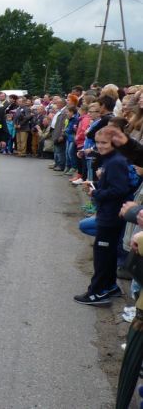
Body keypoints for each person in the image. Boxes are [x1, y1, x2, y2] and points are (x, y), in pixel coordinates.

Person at [75, 126, 130, 305]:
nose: (100, 146)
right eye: (98, 143)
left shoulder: (115, 161)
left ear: (114, 142)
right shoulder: (110, 160)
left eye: (104, 143)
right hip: (108, 213)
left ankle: (97, 292)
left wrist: (96, 193)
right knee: (108, 253)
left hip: (111, 215)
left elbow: (120, 190)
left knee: (102, 255)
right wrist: (97, 186)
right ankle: (110, 285)